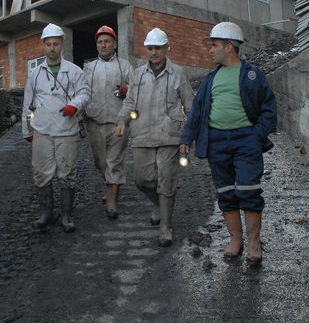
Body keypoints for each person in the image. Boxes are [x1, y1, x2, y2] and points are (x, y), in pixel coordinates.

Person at [179, 22, 277, 265]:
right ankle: (236, 240)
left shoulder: (252, 75)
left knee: (248, 189)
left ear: (229, 47)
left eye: (214, 45)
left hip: (246, 140)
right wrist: (186, 138)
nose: (210, 50)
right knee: (225, 191)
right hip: (217, 142)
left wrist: (257, 135)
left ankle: (254, 242)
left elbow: (269, 108)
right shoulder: (211, 78)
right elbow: (197, 111)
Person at [116, 28, 194, 247]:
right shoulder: (137, 75)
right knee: (141, 180)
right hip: (142, 134)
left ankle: (166, 228)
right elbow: (129, 102)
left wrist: (188, 135)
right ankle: (159, 204)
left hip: (170, 135)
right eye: (150, 48)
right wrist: (122, 120)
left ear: (166, 48)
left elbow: (190, 105)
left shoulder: (178, 73)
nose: (154, 52)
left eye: (158, 48)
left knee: (166, 180)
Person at [23, 23, 90, 233]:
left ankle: (66, 215)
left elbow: (85, 93)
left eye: (56, 44)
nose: (52, 48)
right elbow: (28, 103)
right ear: (43, 45)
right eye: (49, 44)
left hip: (66, 130)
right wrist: (27, 130)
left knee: (67, 173)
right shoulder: (35, 73)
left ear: (62, 45)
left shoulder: (74, 71)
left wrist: (75, 105)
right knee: (41, 172)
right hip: (42, 129)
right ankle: (45, 213)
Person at [83, 25, 134, 219]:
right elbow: (81, 91)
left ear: (115, 44)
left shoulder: (125, 65)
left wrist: (127, 90)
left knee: (115, 161)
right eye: (100, 42)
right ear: (96, 45)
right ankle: (112, 185)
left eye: (107, 41)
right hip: (95, 121)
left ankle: (112, 198)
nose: (103, 45)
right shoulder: (89, 67)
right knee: (100, 162)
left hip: (118, 121)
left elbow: (136, 88)